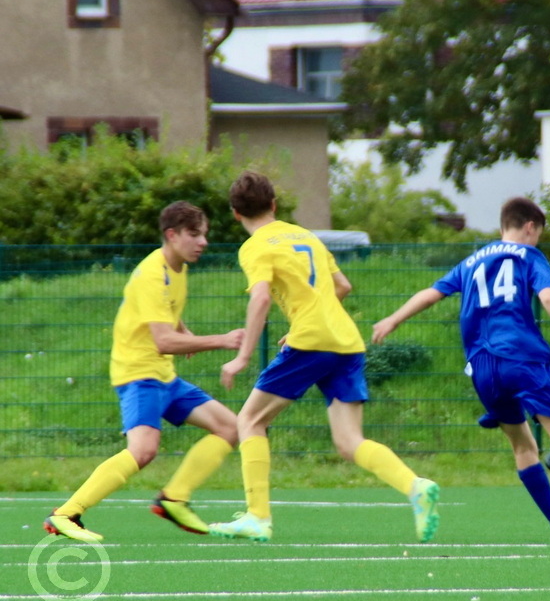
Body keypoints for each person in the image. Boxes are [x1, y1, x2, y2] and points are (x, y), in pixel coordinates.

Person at [208, 171, 439, 543]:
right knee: (349, 442)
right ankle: (415, 486)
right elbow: (342, 286)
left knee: (248, 420)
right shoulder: (305, 236)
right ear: (274, 205)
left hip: (312, 340)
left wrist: (242, 356)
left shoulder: (255, 247)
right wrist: (313, 318)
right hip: (345, 340)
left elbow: (262, 298)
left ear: (235, 214)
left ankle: (257, 516)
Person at [372, 197, 550, 541]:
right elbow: (548, 297)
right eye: (538, 234)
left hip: (482, 367)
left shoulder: (471, 261)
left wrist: (393, 319)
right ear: (530, 227)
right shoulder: (529, 255)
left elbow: (432, 293)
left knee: (522, 446)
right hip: (521, 356)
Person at [44, 201, 243, 541]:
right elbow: (163, 341)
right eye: (194, 234)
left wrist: (187, 332)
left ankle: (174, 499)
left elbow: (166, 313)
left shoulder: (177, 267)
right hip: (139, 373)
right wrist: (222, 340)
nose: (203, 242)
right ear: (171, 234)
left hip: (163, 374)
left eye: (204, 235)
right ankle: (66, 513)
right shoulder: (153, 274)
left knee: (230, 427)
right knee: (143, 450)